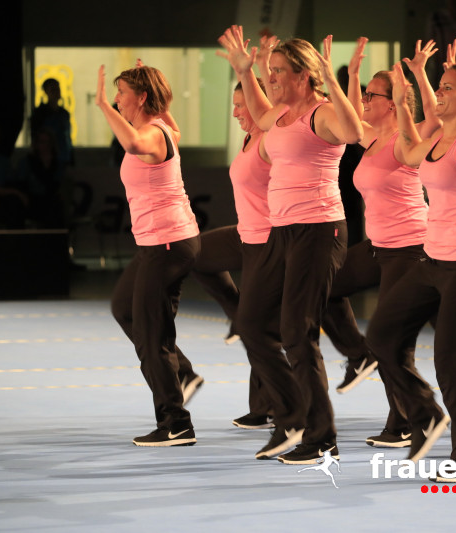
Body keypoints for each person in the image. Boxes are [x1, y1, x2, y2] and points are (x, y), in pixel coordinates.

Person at [218, 27, 363, 464]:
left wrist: (334, 81)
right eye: (271, 70)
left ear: (303, 75)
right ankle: (292, 416)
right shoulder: (279, 114)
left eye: (279, 71)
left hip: (318, 230)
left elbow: (353, 131)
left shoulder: (322, 113)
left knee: (298, 332)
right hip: (281, 230)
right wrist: (245, 71)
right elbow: (260, 114)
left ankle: (321, 437)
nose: (272, 77)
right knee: (252, 324)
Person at [366, 57, 456, 482]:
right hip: (432, 261)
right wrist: (401, 100)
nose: (440, 92)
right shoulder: (436, 141)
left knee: (452, 363)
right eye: (440, 86)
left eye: (448, 88)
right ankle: (426, 411)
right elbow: (408, 149)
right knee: (381, 337)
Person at [320, 38, 440, 449]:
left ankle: (404, 421)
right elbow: (349, 112)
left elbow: (434, 119)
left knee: (394, 338)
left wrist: (417, 79)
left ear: (393, 103)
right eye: (365, 94)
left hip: (409, 248)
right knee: (326, 287)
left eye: (373, 95)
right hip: (378, 246)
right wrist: (351, 73)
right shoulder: (370, 136)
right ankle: (359, 355)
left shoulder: (407, 139)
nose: (365, 100)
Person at [96, 60, 201, 447]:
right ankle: (182, 373)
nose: (116, 100)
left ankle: (176, 422)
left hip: (168, 244)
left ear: (140, 98)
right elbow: (162, 123)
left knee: (151, 335)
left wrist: (101, 106)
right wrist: (149, 88)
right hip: (158, 244)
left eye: (121, 93)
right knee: (125, 308)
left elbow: (132, 144)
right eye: (114, 95)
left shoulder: (152, 135)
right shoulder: (161, 126)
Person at [188, 78, 274, 428]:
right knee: (194, 253)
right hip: (245, 233)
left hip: (268, 239)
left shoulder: (272, 139)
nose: (235, 112)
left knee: (260, 326)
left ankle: (268, 406)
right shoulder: (250, 136)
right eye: (235, 104)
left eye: (241, 105)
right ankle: (237, 313)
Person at [30, 78, 73, 167]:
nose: (57, 92)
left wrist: (71, 157)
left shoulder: (64, 113)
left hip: (63, 157)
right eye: (53, 90)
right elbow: (35, 136)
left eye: (58, 89)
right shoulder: (40, 113)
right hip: (47, 159)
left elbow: (67, 137)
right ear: (46, 92)